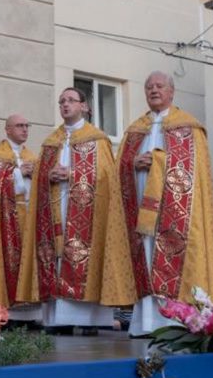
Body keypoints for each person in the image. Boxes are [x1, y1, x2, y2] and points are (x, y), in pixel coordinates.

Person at [17, 87, 136, 334]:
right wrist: (46, 175)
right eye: (61, 101)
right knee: (56, 255)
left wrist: (74, 175)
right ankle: (57, 319)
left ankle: (88, 320)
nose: (65, 105)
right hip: (55, 208)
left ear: (84, 106)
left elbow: (106, 178)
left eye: (71, 100)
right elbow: (39, 175)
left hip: (88, 212)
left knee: (84, 256)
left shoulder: (98, 139)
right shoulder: (51, 142)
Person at [118, 71, 213, 337]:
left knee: (173, 255)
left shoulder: (188, 127)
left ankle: (176, 320)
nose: (154, 90)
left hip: (176, 209)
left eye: (159, 86)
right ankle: (146, 322)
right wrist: (132, 164)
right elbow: (120, 167)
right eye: (149, 86)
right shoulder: (135, 129)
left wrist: (157, 162)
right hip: (142, 206)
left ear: (171, 92)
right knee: (145, 254)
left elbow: (195, 170)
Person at [0, 114, 38, 321]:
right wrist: (18, 173)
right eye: (19, 126)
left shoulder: (32, 155)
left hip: (29, 217)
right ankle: (7, 313)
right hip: (5, 218)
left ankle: (32, 314)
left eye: (26, 125)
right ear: (7, 130)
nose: (24, 129)